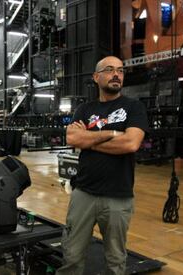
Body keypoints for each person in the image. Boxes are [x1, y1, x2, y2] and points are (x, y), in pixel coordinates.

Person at [56, 56, 148, 275]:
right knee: (71, 255)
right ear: (96, 77)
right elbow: (73, 140)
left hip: (118, 195)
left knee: (115, 262)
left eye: (120, 70)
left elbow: (131, 143)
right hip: (83, 193)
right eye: (109, 70)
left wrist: (89, 139)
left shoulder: (133, 107)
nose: (116, 74)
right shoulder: (84, 110)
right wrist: (113, 134)